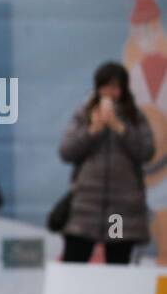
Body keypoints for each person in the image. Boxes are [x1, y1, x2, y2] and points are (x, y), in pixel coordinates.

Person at [58, 61, 155, 264]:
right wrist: (93, 130)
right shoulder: (85, 114)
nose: (110, 92)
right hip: (87, 207)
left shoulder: (134, 117)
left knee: (117, 260)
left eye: (116, 86)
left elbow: (146, 152)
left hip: (119, 211)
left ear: (124, 89)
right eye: (105, 86)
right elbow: (66, 151)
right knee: (75, 260)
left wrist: (119, 127)